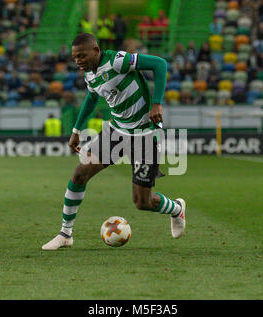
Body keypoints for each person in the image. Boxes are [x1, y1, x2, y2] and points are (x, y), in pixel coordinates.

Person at [42, 33, 186, 250]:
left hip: (145, 134)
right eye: (75, 58)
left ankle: (176, 209)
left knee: (142, 202)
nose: (78, 61)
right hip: (117, 132)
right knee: (80, 173)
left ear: (96, 51)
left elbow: (159, 64)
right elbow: (92, 97)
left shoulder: (117, 60)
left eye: (82, 56)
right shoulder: (89, 74)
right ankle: (65, 234)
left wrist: (156, 103)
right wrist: (76, 129)